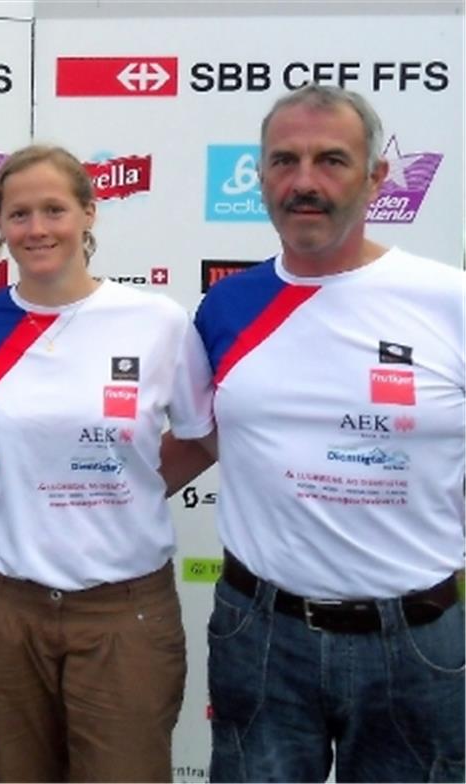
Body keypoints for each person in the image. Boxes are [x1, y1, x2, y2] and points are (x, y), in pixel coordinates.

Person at [186, 84, 464, 783]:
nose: (304, 183)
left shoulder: (450, 300)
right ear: (260, 175)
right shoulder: (225, 306)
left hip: (420, 644)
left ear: (375, 177)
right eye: (284, 161)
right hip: (261, 638)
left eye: (331, 160)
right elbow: (198, 440)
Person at [0, 144, 215, 782]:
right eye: (19, 213)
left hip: (124, 613)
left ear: (90, 213)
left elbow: (202, 438)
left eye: (55, 209)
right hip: (6, 607)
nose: (37, 229)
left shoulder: (156, 322)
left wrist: (133, 488)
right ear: (0, 223)